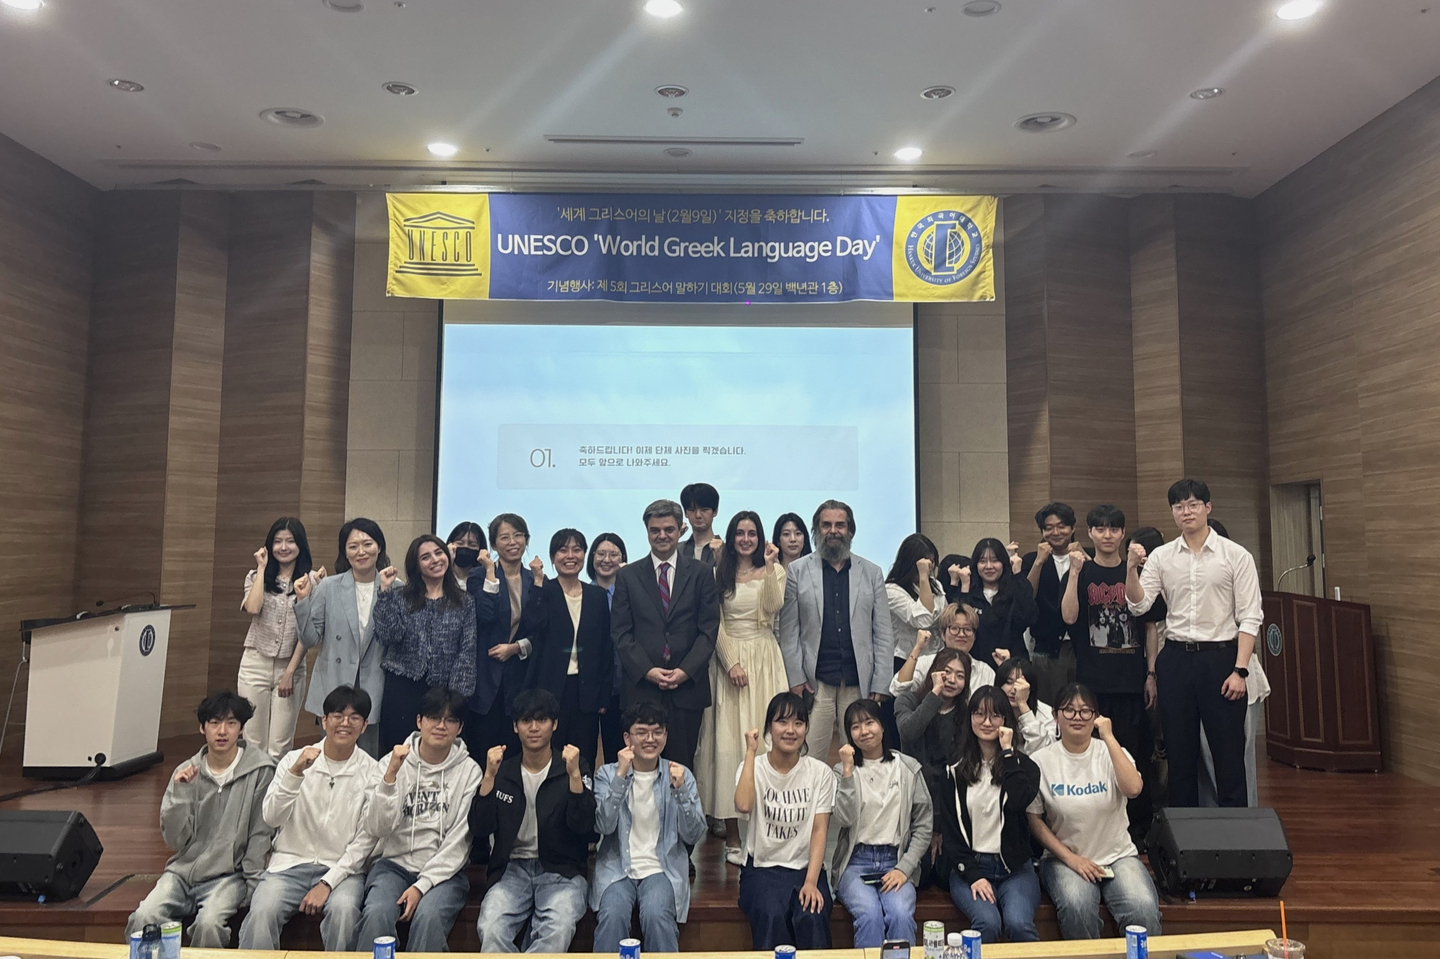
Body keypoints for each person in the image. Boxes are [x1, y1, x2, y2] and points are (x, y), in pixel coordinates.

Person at [1127, 479, 1262, 808]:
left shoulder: (1236, 556)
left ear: (1207, 507)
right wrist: (1131, 569)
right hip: (1175, 658)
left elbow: (1250, 616)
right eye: (1178, 507)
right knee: (1179, 753)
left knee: (1228, 753)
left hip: (1221, 659)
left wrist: (1240, 670)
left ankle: (1236, 838)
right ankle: (1184, 840)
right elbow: (1139, 606)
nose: (1185, 512)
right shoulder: (1162, 556)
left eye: (1192, 505)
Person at [126, 691, 276, 948]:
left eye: (231, 723)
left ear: (241, 729)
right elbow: (174, 839)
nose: (222, 731)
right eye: (214, 723)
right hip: (182, 873)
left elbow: (260, 834)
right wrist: (181, 795)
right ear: (202, 727)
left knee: (209, 925)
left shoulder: (261, 771)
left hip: (229, 876)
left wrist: (253, 885)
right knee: (144, 917)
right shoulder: (186, 771)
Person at [240, 685, 383, 951]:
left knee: (344, 913)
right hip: (289, 866)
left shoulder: (373, 772)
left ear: (364, 726)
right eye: (338, 715)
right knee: (261, 913)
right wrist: (294, 775)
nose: (345, 723)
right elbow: (271, 817)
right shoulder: (293, 760)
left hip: (342, 870)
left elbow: (366, 840)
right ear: (324, 720)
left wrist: (328, 882)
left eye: (354, 718)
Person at [1027, 684, 1162, 940]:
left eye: (1085, 711)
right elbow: (1033, 819)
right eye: (1068, 710)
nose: (1077, 717)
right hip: (1065, 859)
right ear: (1056, 716)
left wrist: (1109, 738)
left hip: (1117, 856)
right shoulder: (1041, 760)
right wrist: (1070, 859)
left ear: (1096, 716)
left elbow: (1134, 789)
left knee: (1142, 909)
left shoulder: (1111, 752)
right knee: (1077, 908)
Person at [357, 687, 481, 952]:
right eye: (434, 717)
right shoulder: (392, 762)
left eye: (450, 720)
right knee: (377, 912)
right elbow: (375, 827)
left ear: (459, 728)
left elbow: (459, 841)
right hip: (392, 865)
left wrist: (422, 886)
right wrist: (390, 779)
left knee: (429, 917)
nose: (441, 726)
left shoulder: (470, 772)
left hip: (445, 874)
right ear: (419, 721)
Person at [471, 689, 596, 954]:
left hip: (561, 871)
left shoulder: (575, 766)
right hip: (511, 870)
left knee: (558, 929)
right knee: (491, 928)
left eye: (542, 720)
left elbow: (585, 827)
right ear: (515, 727)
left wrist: (574, 778)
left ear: (555, 724)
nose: (534, 728)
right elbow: (480, 828)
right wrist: (489, 778)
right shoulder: (503, 770)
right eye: (526, 721)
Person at [695, 511, 788, 865]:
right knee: (730, 746)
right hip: (729, 663)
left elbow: (771, 609)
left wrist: (768, 568)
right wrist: (730, 661)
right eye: (740, 533)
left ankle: (763, 837)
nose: (746, 539)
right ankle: (733, 837)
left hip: (765, 658)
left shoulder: (775, 569)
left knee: (767, 744)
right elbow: (713, 622)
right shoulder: (718, 572)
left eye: (752, 533)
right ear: (731, 537)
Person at [1062, 504, 1154, 840]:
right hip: (1092, 682)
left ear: (1122, 532)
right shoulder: (1080, 571)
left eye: (1114, 529)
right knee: (1089, 756)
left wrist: (1151, 674)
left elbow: (1148, 625)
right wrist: (1072, 574)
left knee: (1131, 755)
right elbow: (1069, 617)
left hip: (1130, 681)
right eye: (1100, 529)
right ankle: (1092, 827)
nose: (1107, 535)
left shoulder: (1137, 569)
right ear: (1090, 533)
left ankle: (1135, 828)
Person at [778, 500, 894, 758]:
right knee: (809, 757)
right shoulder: (797, 571)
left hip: (858, 681)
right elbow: (789, 632)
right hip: (814, 682)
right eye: (826, 525)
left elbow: (883, 633)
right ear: (816, 531)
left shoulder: (872, 572)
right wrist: (796, 678)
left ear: (850, 531)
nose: (833, 531)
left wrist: (881, 681)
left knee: (858, 756)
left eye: (840, 525)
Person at [612, 499, 721, 770]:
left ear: (681, 530)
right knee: (640, 768)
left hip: (687, 688)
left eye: (669, 529)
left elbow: (708, 630)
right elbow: (621, 633)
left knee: (681, 768)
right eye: (655, 530)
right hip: (642, 688)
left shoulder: (701, 573)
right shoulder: (628, 576)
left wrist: (685, 670)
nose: (662, 536)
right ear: (647, 531)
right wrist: (648, 670)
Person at [591, 703, 708, 953]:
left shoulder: (680, 774)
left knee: (657, 916)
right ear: (627, 738)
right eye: (641, 732)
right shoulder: (607, 774)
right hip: (617, 868)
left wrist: (681, 792)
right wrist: (620, 778)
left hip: (661, 869)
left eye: (657, 732)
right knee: (612, 915)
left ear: (665, 736)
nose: (650, 739)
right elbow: (603, 825)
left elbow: (694, 834)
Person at [931, 687, 1042, 944]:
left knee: (1019, 923)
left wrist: (1007, 752)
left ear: (1006, 720)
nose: (987, 722)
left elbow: (1018, 800)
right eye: (979, 714)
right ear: (970, 719)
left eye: (995, 715)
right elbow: (951, 832)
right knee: (987, 924)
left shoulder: (1024, 766)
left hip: (1015, 869)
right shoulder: (954, 770)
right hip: (970, 867)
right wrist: (972, 875)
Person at [734, 693, 835, 950]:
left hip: (806, 868)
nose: (791, 730)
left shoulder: (820, 772)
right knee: (771, 915)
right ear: (769, 727)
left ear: (806, 729)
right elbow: (743, 806)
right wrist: (750, 751)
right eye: (782, 722)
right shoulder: (752, 766)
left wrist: (811, 882)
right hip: (762, 869)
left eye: (799, 723)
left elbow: (819, 829)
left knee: (812, 915)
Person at [831, 699, 933, 948]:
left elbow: (923, 824)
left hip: (895, 860)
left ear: (883, 726)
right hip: (855, 863)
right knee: (869, 915)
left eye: (869, 722)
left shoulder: (907, 768)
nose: (864, 731)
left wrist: (904, 867)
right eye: (855, 727)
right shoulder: (841, 771)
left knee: (900, 914)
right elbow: (844, 819)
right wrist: (846, 772)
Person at [373, 535, 478, 753]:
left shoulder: (464, 600)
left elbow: (467, 651)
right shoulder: (400, 596)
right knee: (399, 750)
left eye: (439, 553)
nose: (435, 560)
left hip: (444, 690)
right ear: (416, 565)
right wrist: (383, 593)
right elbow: (388, 636)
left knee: (439, 751)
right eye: (425, 557)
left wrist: (456, 698)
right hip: (402, 688)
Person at [296, 518, 389, 757]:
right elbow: (309, 639)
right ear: (344, 552)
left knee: (369, 756)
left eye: (368, 544)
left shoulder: (394, 587)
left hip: (374, 684)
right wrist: (303, 601)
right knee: (332, 754)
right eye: (353, 546)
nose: (361, 552)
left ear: (379, 547)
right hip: (334, 683)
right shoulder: (329, 586)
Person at [1198, 519, 1271, 808]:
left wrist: (1239, 670)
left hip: (1238, 672)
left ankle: (1246, 822)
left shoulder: (1238, 566)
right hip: (1199, 672)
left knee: (1239, 755)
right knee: (1203, 756)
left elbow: (1250, 621)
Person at [521, 528, 613, 753]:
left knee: (583, 756)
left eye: (577, 550)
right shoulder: (545, 590)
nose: (570, 556)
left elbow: (605, 647)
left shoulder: (597, 596)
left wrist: (603, 694)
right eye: (563, 550)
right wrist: (538, 583)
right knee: (550, 754)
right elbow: (532, 624)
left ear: (585, 555)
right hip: (549, 688)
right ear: (553, 557)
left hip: (586, 690)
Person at [465, 513, 538, 771]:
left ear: (526, 540)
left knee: (515, 753)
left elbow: (540, 630)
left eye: (518, 535)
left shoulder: (535, 580)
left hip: (521, 676)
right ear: (494, 545)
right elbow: (485, 616)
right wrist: (490, 573)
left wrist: (517, 648)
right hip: (486, 677)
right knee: (483, 750)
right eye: (504, 537)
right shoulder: (477, 576)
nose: (512, 542)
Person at [239, 517, 316, 759]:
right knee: (252, 741)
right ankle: (255, 795)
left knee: (280, 745)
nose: (284, 547)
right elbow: (252, 608)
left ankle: (275, 797)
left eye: (290, 541)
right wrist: (262, 569)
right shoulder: (255, 576)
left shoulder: (312, 581)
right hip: (254, 664)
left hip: (291, 666)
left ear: (300, 545)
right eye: (278, 541)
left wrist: (290, 673)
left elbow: (307, 632)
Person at [1020, 504, 1087, 705]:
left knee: (1082, 705)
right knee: (1048, 709)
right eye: (1049, 528)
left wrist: (1085, 556)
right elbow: (1026, 598)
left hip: (1082, 648)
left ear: (1073, 528)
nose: (1055, 532)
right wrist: (1038, 563)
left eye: (1062, 526)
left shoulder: (1086, 556)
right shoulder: (1032, 559)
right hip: (1046, 649)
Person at [891, 603, 995, 698]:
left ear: (974, 636)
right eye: (954, 628)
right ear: (943, 634)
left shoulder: (985, 672)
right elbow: (898, 690)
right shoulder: (926, 663)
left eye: (967, 629)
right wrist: (917, 648)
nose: (962, 634)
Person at [587, 532, 630, 765]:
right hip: (588, 686)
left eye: (614, 554)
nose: (607, 559)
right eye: (601, 553)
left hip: (622, 684)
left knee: (618, 750)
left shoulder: (632, 593)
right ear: (591, 557)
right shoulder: (580, 592)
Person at [894, 648, 972, 771]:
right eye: (947, 672)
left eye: (960, 676)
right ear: (934, 672)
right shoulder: (907, 700)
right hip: (913, 781)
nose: (952, 680)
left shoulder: (967, 713)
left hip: (951, 784)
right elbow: (909, 732)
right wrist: (935, 692)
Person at [965, 538, 1038, 668]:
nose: (989, 566)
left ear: (1004, 563)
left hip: (1013, 664)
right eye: (982, 561)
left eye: (995, 560)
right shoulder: (969, 592)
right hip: (976, 667)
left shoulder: (1016, 587)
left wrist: (1018, 574)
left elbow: (1028, 618)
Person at [884, 533, 945, 667]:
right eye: (924, 563)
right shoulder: (891, 590)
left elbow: (943, 617)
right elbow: (923, 620)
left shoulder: (936, 584)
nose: (929, 567)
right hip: (906, 659)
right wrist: (923, 576)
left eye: (932, 561)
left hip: (935, 657)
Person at [995, 658, 1055, 756]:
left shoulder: (1047, 714)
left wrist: (1022, 704)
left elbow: (1041, 753)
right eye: (1009, 682)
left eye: (1020, 683)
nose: (1014, 689)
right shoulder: (990, 708)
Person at [679, 482, 722, 566]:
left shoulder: (727, 551)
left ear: (715, 512)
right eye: (692, 510)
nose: (698, 515)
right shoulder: (678, 549)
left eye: (704, 510)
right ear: (686, 513)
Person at [446, 521, 487, 590]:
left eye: (472, 545)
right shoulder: (439, 574)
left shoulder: (484, 577)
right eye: (460, 543)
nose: (465, 547)